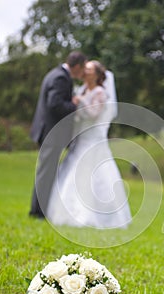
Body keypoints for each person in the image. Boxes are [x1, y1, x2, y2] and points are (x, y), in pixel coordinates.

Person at [46, 60, 132, 229]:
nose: (85, 70)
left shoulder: (100, 92)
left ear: (98, 74)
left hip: (93, 138)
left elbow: (94, 113)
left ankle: (93, 215)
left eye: (89, 68)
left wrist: (79, 102)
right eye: (85, 68)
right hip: (81, 137)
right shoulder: (82, 89)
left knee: (95, 173)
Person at [29, 51, 87, 218]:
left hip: (47, 131)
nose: (82, 73)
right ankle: (38, 212)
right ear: (76, 66)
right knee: (46, 173)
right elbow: (55, 104)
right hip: (51, 133)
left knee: (46, 172)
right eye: (82, 69)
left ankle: (39, 209)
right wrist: (74, 106)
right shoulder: (61, 78)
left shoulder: (55, 73)